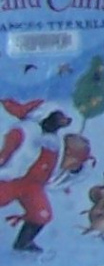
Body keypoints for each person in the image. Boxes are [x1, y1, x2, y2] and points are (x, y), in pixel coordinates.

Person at [0, 108, 88, 252]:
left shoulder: (55, 148)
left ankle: (23, 244)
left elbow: (56, 178)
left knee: (41, 213)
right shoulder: (31, 137)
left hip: (32, 187)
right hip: (14, 181)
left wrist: (74, 170)